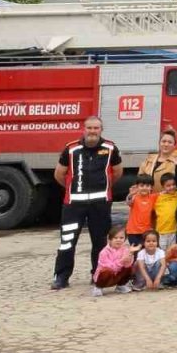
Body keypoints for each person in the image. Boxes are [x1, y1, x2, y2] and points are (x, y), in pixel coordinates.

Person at [51, 116, 123, 291]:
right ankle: (61, 277)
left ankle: (97, 273)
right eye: (89, 128)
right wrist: (72, 188)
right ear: (84, 129)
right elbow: (59, 174)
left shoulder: (110, 148)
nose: (92, 131)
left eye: (96, 128)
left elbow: (117, 172)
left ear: (101, 129)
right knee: (67, 241)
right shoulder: (71, 148)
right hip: (74, 203)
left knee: (100, 241)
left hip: (100, 203)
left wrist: (104, 187)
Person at [91, 224, 134, 297]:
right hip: (105, 277)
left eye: (121, 238)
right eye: (115, 238)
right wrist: (122, 261)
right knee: (106, 271)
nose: (118, 240)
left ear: (125, 239)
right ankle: (98, 287)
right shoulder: (104, 252)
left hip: (117, 275)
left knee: (130, 268)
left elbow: (127, 265)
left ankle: (120, 286)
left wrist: (130, 255)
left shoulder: (125, 249)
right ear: (109, 239)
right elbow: (109, 267)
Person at [137, 129, 177, 193]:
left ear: (174, 146)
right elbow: (139, 182)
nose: (166, 144)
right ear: (159, 143)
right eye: (163, 141)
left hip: (166, 200)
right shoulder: (148, 160)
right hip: (148, 200)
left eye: (170, 142)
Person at [124, 173, 157, 247]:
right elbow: (128, 201)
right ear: (137, 186)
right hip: (132, 231)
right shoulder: (134, 197)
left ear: (151, 187)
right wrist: (130, 194)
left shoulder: (153, 197)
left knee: (144, 252)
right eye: (142, 186)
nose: (144, 188)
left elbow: (163, 194)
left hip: (146, 231)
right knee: (136, 252)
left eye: (147, 186)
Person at [152, 172, 177, 250]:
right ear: (163, 186)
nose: (171, 187)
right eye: (168, 185)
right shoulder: (158, 197)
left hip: (174, 231)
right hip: (161, 231)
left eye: (173, 184)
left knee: (171, 251)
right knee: (161, 251)